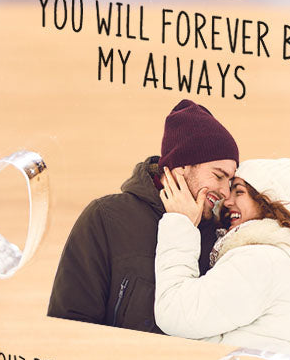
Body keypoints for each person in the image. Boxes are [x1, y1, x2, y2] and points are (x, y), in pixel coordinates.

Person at [47, 100, 239, 332]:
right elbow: (69, 323)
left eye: (230, 181)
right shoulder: (106, 218)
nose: (225, 192)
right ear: (181, 166)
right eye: (218, 176)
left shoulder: (219, 238)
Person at [154, 157, 290, 356]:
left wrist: (180, 223)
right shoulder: (283, 262)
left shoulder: (261, 261)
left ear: (269, 202)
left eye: (239, 192)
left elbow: (175, 313)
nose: (227, 201)